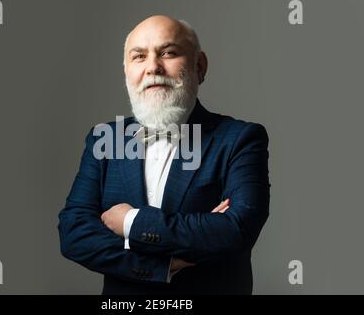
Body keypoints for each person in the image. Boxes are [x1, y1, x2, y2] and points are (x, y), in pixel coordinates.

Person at [58, 15, 270, 295]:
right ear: (126, 73)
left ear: (200, 65)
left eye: (168, 53)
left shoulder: (240, 139)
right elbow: (74, 235)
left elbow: (235, 231)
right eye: (139, 57)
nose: (153, 67)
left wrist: (130, 222)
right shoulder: (104, 139)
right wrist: (165, 265)